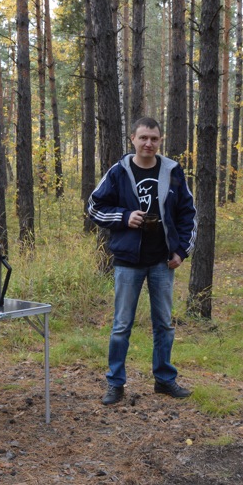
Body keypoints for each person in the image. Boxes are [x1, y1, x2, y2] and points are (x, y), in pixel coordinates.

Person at [87, 117, 197, 405]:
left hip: (162, 262)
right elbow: (94, 207)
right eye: (143, 138)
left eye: (154, 139)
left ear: (160, 141)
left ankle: (164, 380)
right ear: (133, 139)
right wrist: (125, 217)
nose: (149, 143)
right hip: (127, 262)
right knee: (122, 325)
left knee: (164, 323)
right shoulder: (119, 172)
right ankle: (116, 383)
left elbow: (188, 214)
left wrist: (181, 251)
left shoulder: (172, 170)